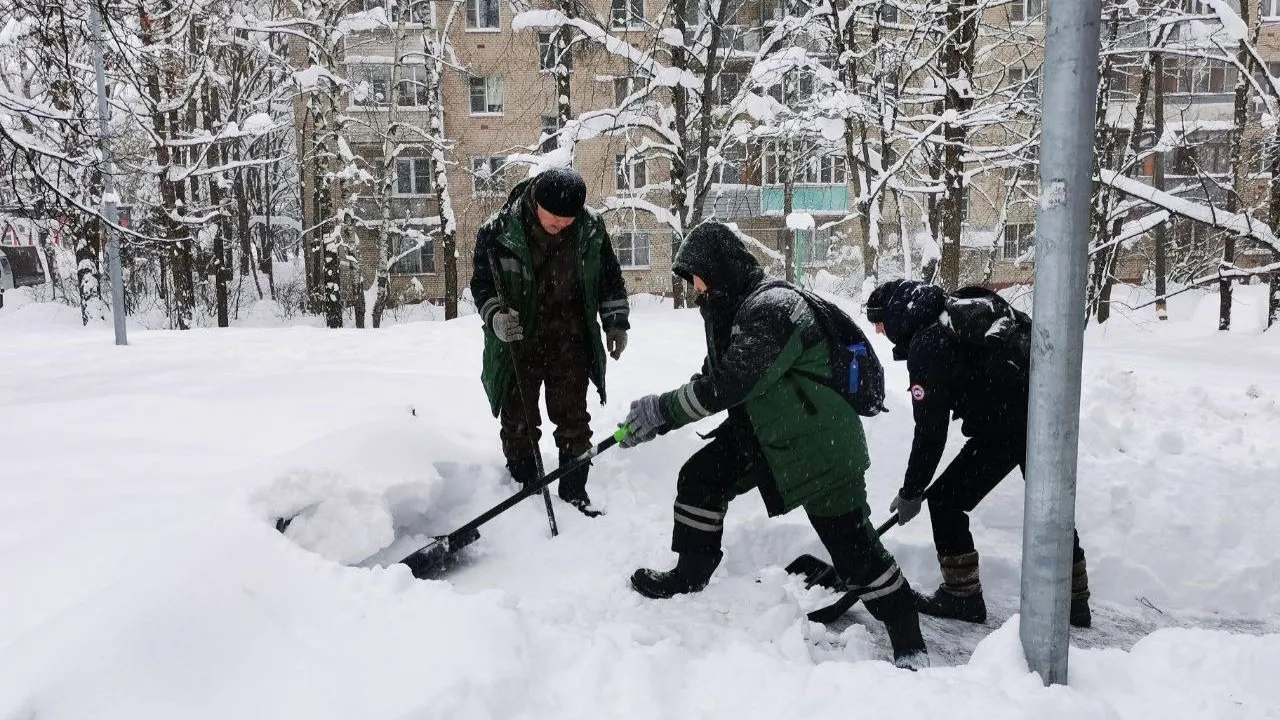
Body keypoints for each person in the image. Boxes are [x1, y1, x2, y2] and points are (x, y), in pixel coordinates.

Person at [620, 222, 929, 670]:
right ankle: (690, 574)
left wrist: (662, 410)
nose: (696, 289)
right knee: (701, 478)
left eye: (698, 278)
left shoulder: (774, 311)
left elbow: (729, 384)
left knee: (854, 552)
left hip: (819, 448)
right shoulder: (733, 305)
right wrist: (658, 420)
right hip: (767, 434)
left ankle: (908, 637)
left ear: (717, 268)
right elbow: (715, 374)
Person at [864, 279, 1091, 627]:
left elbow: (930, 431)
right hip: (1042, 410)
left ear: (894, 316)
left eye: (878, 323)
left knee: (946, 501)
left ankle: (963, 596)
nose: (880, 332)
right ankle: (1074, 601)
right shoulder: (958, 309)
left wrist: (912, 491)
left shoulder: (928, 343)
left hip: (1005, 425)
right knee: (1051, 506)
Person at [470, 166, 630, 516]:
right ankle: (525, 490)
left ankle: (574, 492)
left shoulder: (590, 228)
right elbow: (481, 284)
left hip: (571, 339)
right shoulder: (499, 231)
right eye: (554, 218)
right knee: (519, 422)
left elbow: (609, 279)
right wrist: (495, 316)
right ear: (536, 203)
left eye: (567, 219)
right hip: (518, 341)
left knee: (574, 419)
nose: (561, 225)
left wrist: (616, 322)